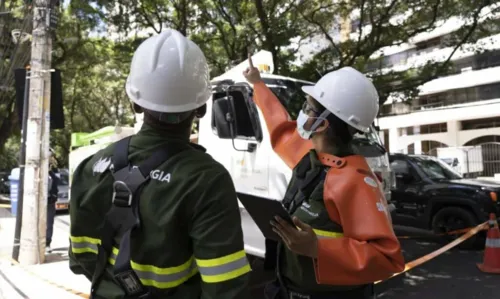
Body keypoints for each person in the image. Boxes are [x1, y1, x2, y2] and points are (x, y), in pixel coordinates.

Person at [69, 29, 251, 299]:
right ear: (201, 107)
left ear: (136, 103)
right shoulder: (206, 179)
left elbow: (80, 261)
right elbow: (225, 288)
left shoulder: (89, 167)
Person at [243, 55, 405, 299]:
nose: (302, 111)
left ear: (323, 124)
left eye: (308, 107)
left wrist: (318, 247)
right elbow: (280, 128)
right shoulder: (312, 158)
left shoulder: (355, 180)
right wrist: (257, 84)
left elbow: (387, 258)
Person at [46, 148, 59, 254]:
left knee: (49, 223)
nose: (51, 159)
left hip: (50, 201)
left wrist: (54, 196)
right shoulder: (38, 168)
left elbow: (55, 184)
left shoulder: (54, 171)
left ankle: (47, 243)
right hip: (38, 202)